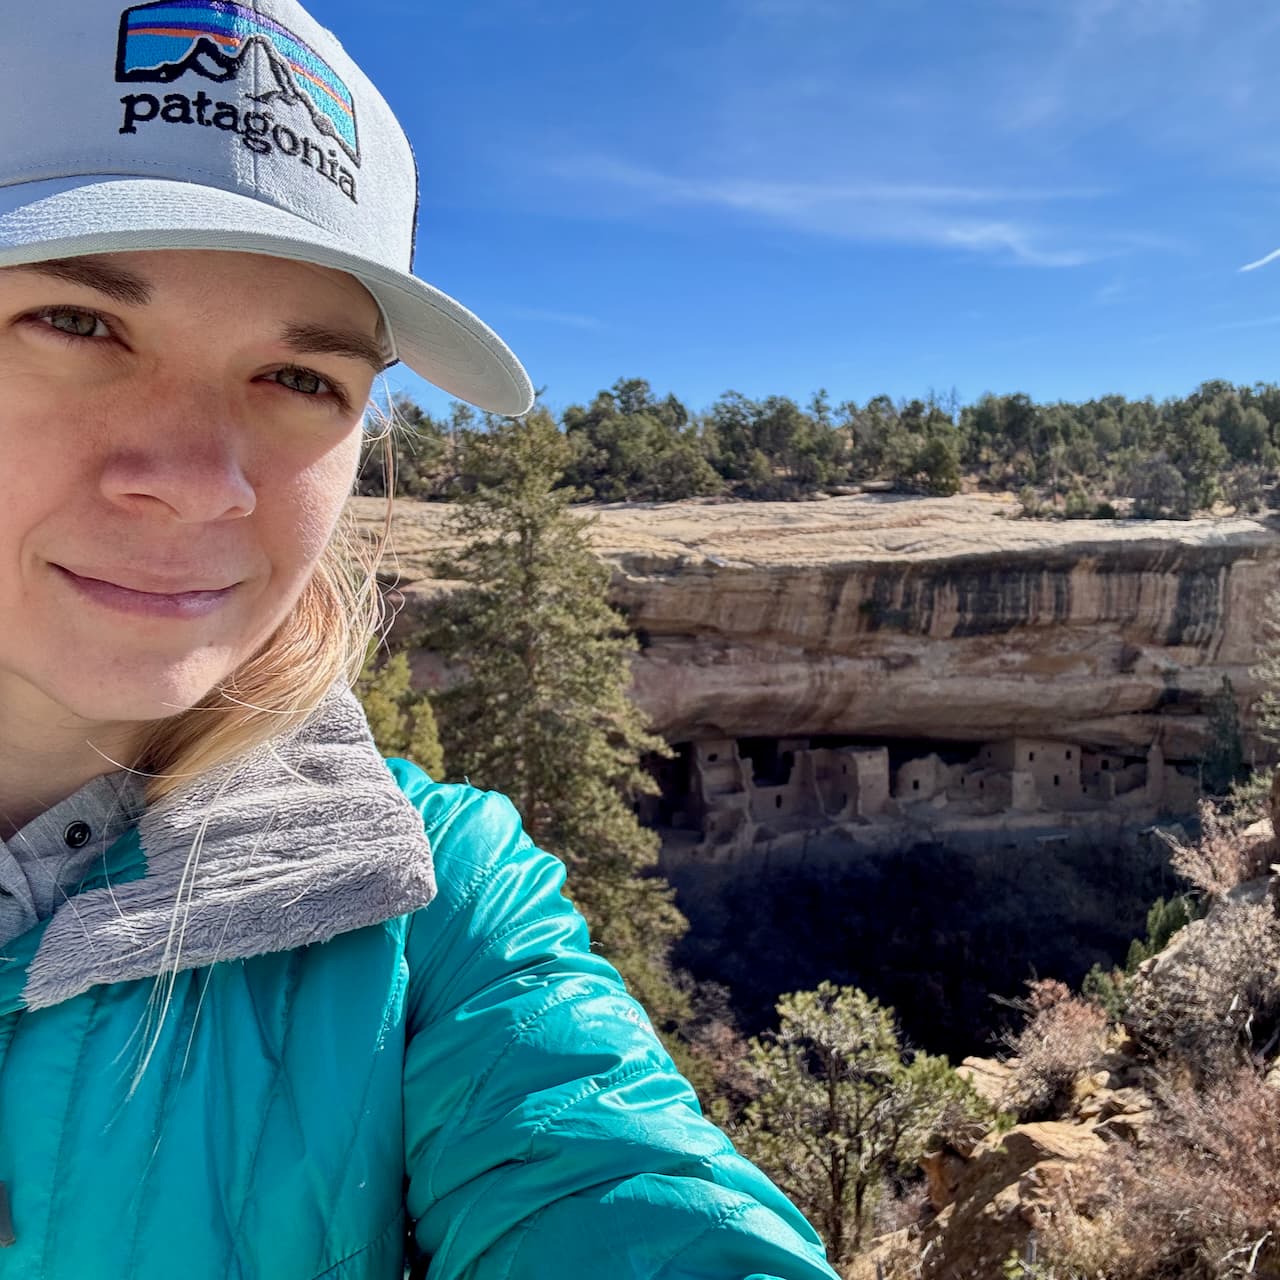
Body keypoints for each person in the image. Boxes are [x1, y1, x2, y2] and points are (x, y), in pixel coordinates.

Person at [0, 2, 843, 1278]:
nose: (197, 480)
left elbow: (620, 1197)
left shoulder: (427, 900)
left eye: (300, 378)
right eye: (75, 321)